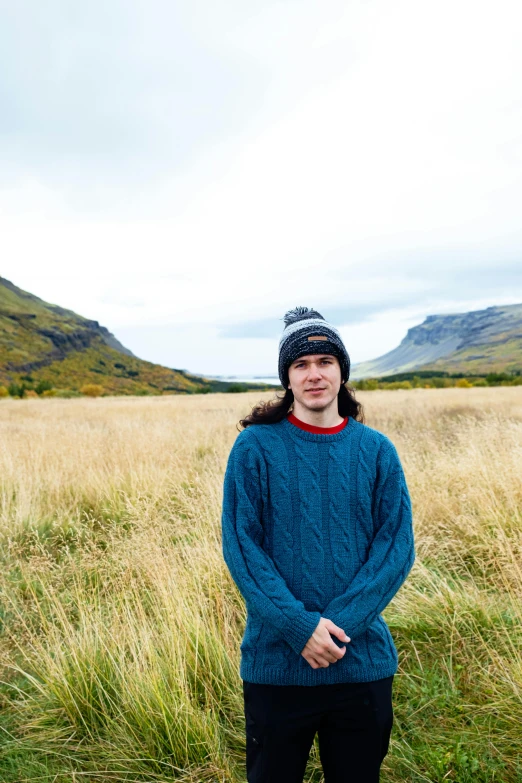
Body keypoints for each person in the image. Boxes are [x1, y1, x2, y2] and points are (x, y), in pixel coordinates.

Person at [221, 306, 415, 783]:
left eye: (325, 361)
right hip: (276, 665)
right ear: (287, 377)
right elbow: (242, 545)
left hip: (361, 666)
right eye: (301, 364)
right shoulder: (255, 448)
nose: (314, 374)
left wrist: (336, 629)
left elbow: (396, 548)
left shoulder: (375, 450)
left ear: (341, 372)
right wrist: (299, 627)